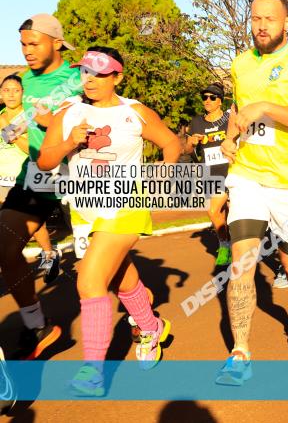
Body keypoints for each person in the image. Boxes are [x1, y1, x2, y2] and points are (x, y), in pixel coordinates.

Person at [38, 46, 182, 395]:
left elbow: (170, 143)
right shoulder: (68, 112)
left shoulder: (135, 112)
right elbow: (44, 161)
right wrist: (69, 142)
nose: (90, 80)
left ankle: (93, 371)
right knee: (118, 276)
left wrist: (164, 169)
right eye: (85, 71)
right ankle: (150, 326)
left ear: (117, 77)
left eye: (100, 74)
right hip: (85, 210)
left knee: (89, 281)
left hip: (125, 201)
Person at [216, 0, 288, 385]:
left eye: (270, 19)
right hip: (248, 176)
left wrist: (264, 107)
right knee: (241, 264)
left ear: (287, 22)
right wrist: (230, 138)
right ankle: (240, 351)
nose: (261, 26)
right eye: (256, 18)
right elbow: (237, 112)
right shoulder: (240, 64)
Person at [0, 14, 82, 361]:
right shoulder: (25, 84)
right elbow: (20, 123)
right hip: (37, 175)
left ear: (57, 43)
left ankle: (145, 320)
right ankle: (39, 326)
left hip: (80, 174)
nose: (27, 51)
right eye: (22, 44)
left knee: (109, 267)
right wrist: (12, 131)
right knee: (4, 247)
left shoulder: (80, 76)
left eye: (34, 43)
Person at [0, 75, 60, 283]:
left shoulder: (29, 116)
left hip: (25, 177)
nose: (10, 94)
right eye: (6, 90)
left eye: (16, 90)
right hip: (1, 177)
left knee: (33, 223)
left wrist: (13, 135)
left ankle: (49, 254)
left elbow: (34, 150)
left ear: (23, 93)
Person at [184, 82, 232, 267]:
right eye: (204, 97)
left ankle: (226, 245)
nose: (207, 101)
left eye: (212, 97)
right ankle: (227, 243)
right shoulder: (197, 122)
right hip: (210, 174)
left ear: (220, 101)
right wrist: (192, 143)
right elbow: (187, 150)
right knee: (219, 213)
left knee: (215, 211)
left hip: (231, 172)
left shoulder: (229, 121)